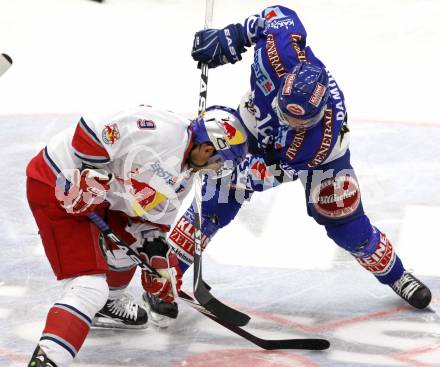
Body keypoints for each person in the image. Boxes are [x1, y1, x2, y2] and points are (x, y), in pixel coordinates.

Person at [162, 5, 432, 325]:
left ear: (316, 114)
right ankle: (165, 276)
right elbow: (275, 13)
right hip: (255, 122)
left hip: (315, 160)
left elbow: (267, 174)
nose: (289, 121)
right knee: (215, 200)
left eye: (297, 120)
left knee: (345, 221)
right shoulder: (280, 48)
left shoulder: (317, 138)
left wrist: (225, 170)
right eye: (287, 112)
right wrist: (230, 37)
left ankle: (397, 275)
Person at [25, 104, 248, 367]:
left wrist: (158, 263)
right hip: (55, 185)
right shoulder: (162, 130)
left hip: (99, 202)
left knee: (127, 247)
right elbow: (91, 129)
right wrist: (88, 175)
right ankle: (46, 361)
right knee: (89, 287)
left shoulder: (185, 176)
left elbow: (149, 225)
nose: (214, 168)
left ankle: (109, 303)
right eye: (217, 161)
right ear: (208, 148)